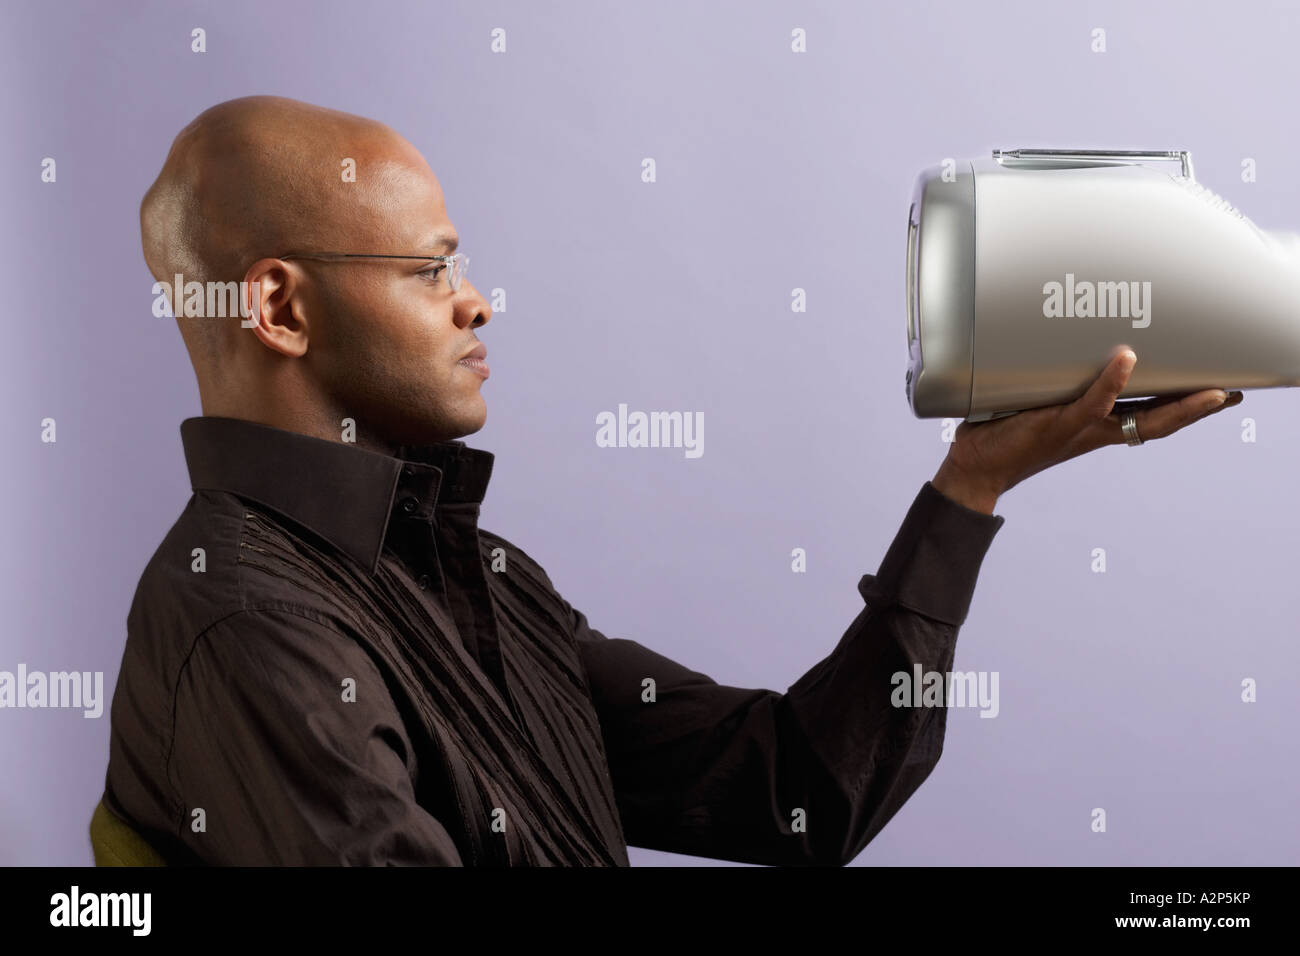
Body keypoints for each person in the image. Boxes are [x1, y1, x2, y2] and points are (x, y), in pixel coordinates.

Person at [102, 95, 1243, 866]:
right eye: (431, 266)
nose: (476, 299)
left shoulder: (473, 570)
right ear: (280, 307)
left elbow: (795, 788)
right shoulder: (248, 623)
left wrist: (971, 484)